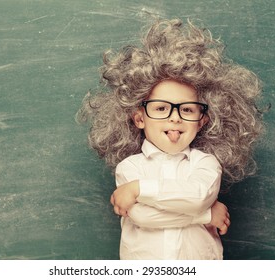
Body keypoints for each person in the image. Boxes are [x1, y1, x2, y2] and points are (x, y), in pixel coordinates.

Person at [77, 19, 265, 259]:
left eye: (187, 110)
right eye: (160, 108)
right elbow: (144, 217)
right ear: (139, 118)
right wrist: (206, 215)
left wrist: (139, 189)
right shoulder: (131, 167)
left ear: (202, 120)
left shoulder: (206, 164)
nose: (174, 118)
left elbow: (197, 197)